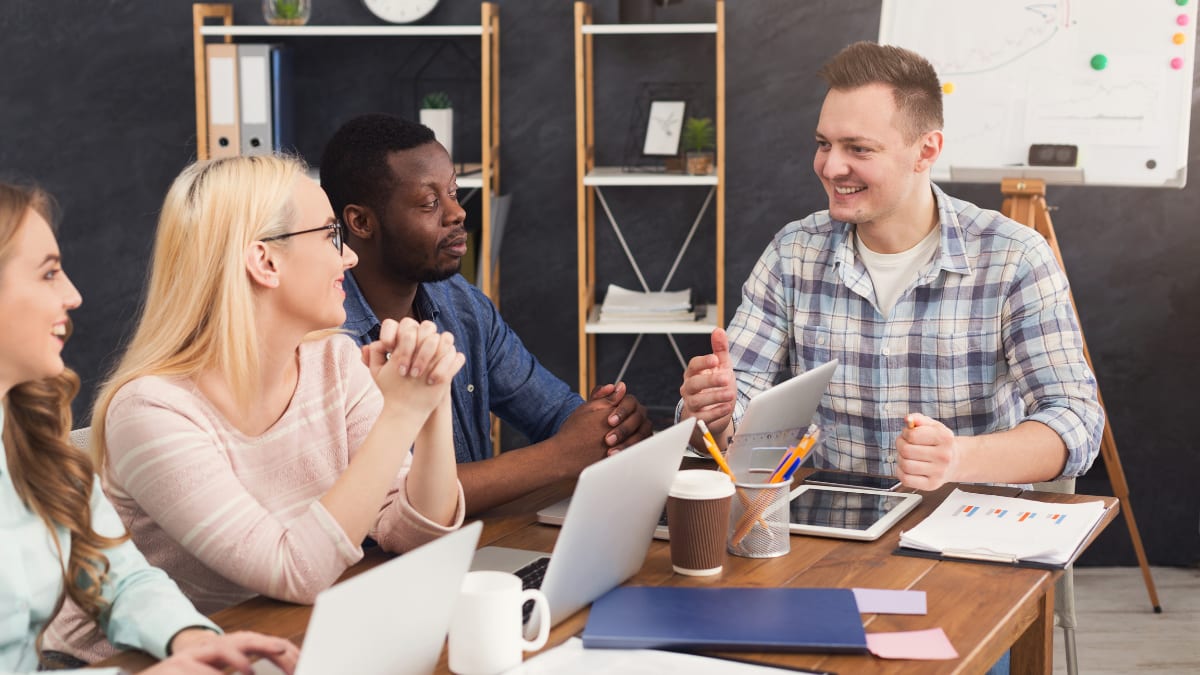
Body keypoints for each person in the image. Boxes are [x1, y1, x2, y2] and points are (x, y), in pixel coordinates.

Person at [47, 155, 467, 662]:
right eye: (331, 236)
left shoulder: (332, 361)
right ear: (265, 261)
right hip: (134, 663)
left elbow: (414, 533)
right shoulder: (151, 410)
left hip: (274, 640)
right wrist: (399, 415)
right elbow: (296, 571)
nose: (350, 258)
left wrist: (431, 400)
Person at [680, 42, 1104, 491]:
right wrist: (714, 414)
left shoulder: (1013, 256)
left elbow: (1075, 419)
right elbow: (731, 411)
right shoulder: (793, 253)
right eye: (824, 144)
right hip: (832, 533)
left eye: (859, 149)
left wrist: (958, 458)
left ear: (925, 151)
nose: (830, 166)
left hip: (966, 534)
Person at [0, 181, 299, 674]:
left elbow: (119, 577)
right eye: (48, 274)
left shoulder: (32, 443)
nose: (73, 295)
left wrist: (190, 636)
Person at [319, 113, 653, 515]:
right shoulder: (328, 341)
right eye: (429, 203)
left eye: (453, 193)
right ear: (360, 222)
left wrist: (608, 426)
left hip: (483, 547)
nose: (456, 213)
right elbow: (393, 499)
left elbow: (554, 413)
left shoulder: (463, 304)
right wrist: (562, 455)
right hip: (383, 570)